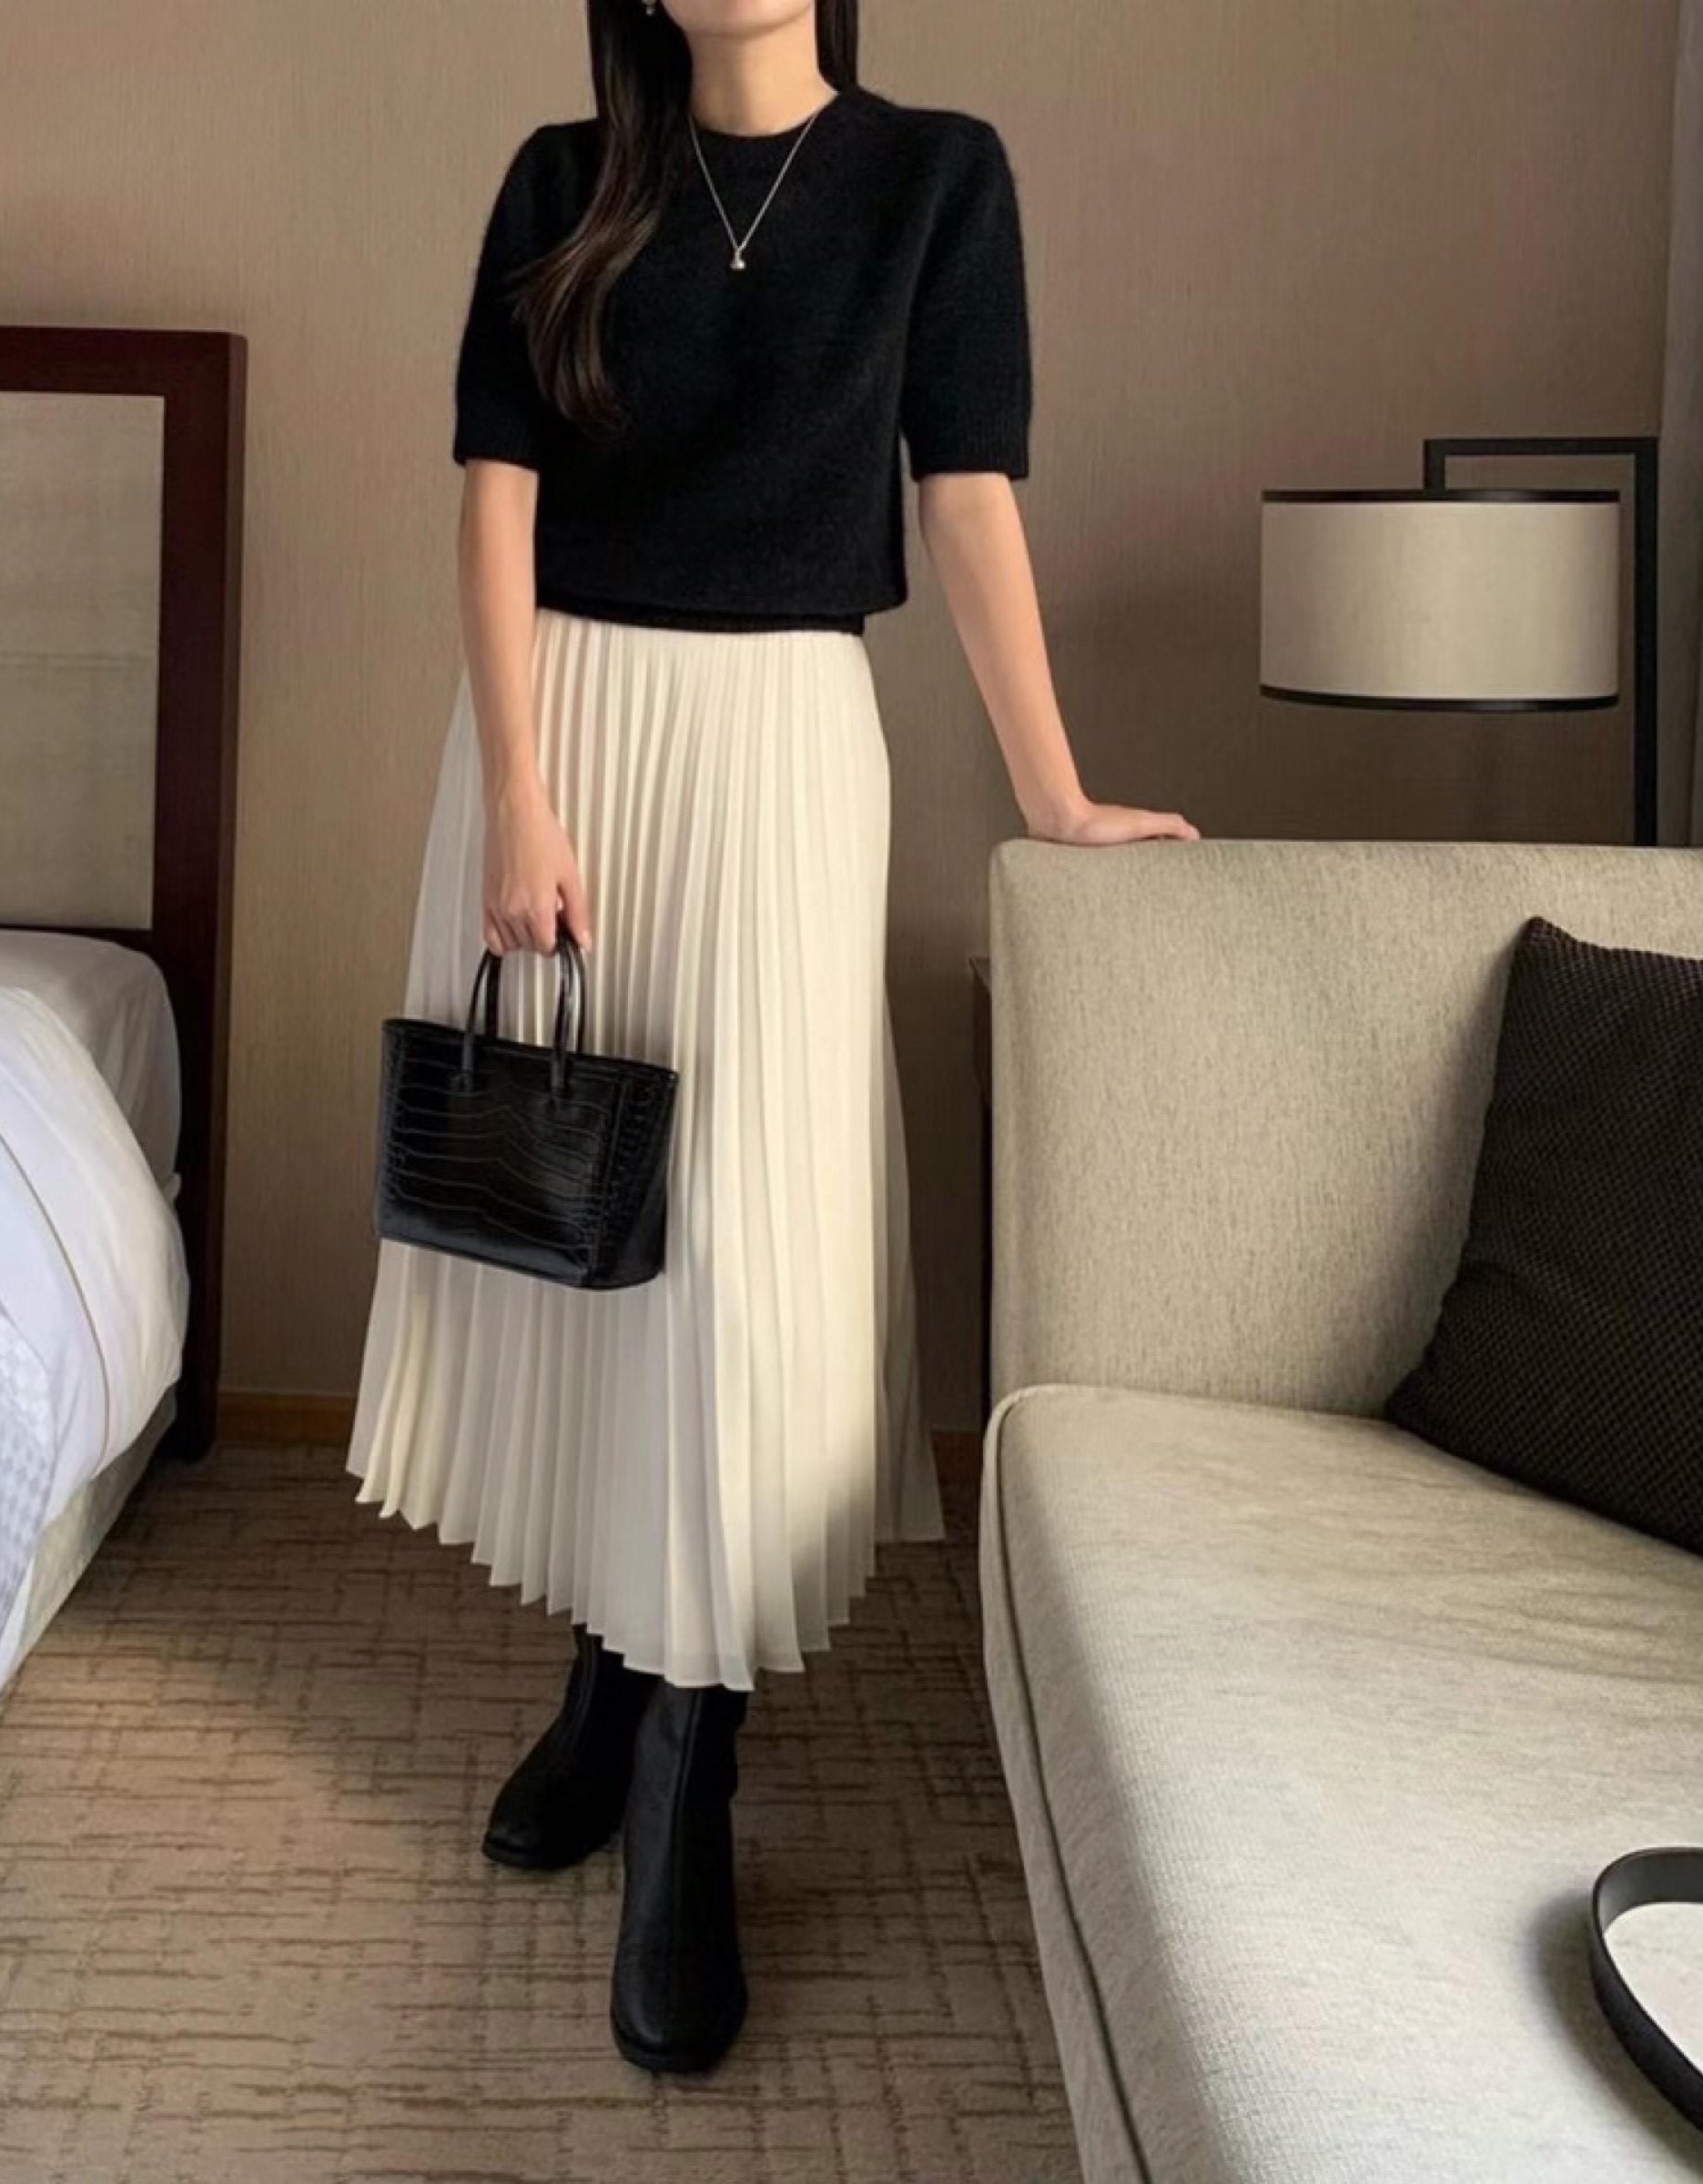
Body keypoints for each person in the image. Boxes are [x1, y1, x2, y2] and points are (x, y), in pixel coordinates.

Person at [347, 0, 1198, 2077]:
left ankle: (685, 1765)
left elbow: (967, 497)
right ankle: (603, 1674)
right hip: (561, 743)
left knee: (743, 1267)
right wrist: (519, 792)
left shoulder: (935, 177)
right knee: (586, 1240)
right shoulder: (566, 182)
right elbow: (495, 497)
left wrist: (1055, 790)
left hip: (783, 745)